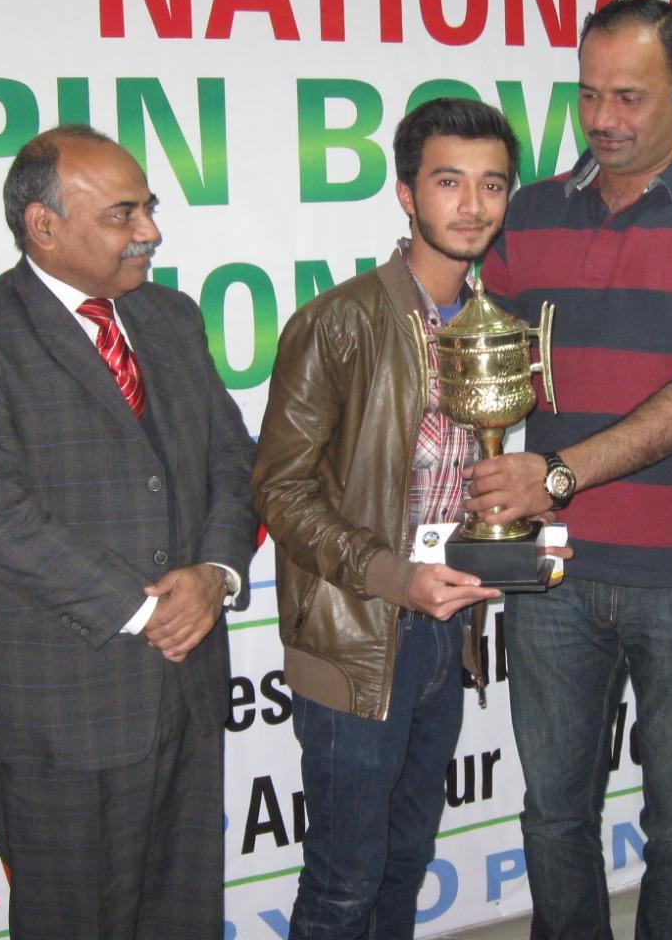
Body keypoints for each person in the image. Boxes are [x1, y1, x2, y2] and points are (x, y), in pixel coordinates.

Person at [468, 0, 672, 939]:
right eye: (588, 94)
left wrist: (558, 475)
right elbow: (488, 371)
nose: (602, 118)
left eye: (629, 97)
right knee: (552, 816)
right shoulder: (531, 212)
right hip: (551, 573)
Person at [0, 125, 256, 940]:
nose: (150, 232)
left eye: (148, 208)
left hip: (186, 689)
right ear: (44, 226)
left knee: (183, 921)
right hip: (59, 711)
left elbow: (233, 460)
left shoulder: (170, 317)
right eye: (122, 215)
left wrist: (215, 575)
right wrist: (146, 610)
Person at [252, 98, 524, 939]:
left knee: (406, 860)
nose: (472, 205)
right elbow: (280, 490)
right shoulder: (339, 322)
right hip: (357, 636)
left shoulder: (495, 327)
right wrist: (393, 577)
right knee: (345, 883)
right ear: (406, 194)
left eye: (492, 185)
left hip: (447, 630)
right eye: (449, 182)